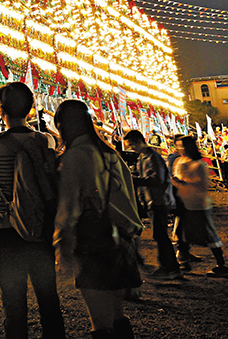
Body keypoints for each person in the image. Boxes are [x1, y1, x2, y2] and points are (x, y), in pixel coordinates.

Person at [0, 83, 65, 339]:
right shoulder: (45, 141)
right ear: (29, 111)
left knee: (13, 300)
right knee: (48, 296)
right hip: (40, 228)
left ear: (1, 111)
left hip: (7, 230)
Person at [53, 99, 141, 339]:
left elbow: (69, 205)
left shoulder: (75, 155)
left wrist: (61, 242)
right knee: (116, 312)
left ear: (62, 126)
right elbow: (128, 197)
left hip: (93, 241)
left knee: (99, 320)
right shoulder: (108, 153)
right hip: (119, 238)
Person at [122, 130, 182, 281]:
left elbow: (158, 180)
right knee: (159, 234)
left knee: (160, 235)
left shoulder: (153, 157)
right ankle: (170, 267)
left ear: (138, 141)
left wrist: (135, 181)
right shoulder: (143, 157)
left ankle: (170, 268)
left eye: (132, 145)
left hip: (159, 201)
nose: (131, 149)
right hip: (151, 201)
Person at [171, 135, 228, 277]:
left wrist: (183, 182)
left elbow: (203, 185)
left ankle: (221, 265)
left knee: (208, 235)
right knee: (182, 234)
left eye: (182, 146)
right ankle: (183, 262)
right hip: (183, 203)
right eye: (178, 145)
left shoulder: (199, 164)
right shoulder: (179, 161)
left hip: (198, 205)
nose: (179, 149)